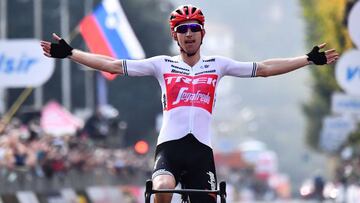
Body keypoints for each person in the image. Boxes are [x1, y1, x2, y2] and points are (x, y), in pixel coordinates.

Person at [40, 4, 339, 203]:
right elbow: (113, 65)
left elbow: (264, 68)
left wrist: (307, 59)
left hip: (201, 151)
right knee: (164, 188)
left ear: (202, 33)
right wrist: (71, 53)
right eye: (182, 30)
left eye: (194, 27)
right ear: (175, 37)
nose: (189, 34)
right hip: (169, 147)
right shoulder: (162, 65)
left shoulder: (218, 64)